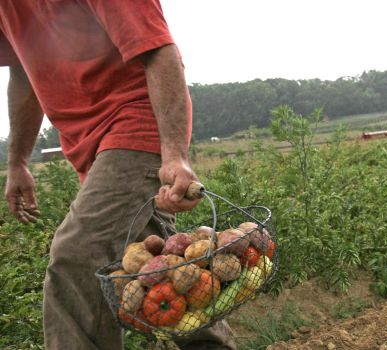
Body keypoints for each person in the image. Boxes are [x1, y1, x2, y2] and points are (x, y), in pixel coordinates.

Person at [0, 1, 235, 349]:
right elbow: (22, 72)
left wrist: (173, 154)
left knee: (76, 257)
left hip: (136, 122)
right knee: (161, 265)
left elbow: (157, 49)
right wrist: (17, 161)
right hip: (87, 146)